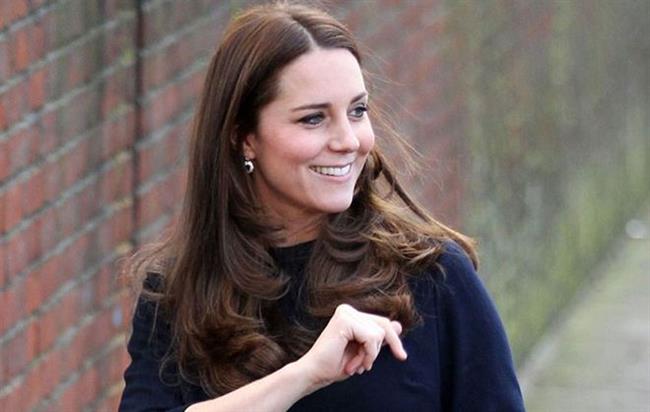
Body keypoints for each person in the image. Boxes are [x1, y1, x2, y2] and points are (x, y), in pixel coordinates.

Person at [119, 1, 526, 411]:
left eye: (357, 110)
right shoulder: (177, 295)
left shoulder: (431, 275)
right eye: (313, 118)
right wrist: (305, 375)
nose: (348, 140)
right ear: (244, 137)